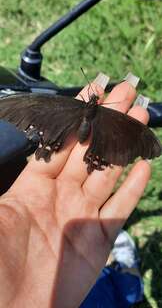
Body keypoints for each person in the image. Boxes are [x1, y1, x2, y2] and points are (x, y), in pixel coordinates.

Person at [0, 73, 151, 308]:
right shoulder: (103, 114)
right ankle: (125, 286)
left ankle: (123, 287)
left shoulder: (63, 106)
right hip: (92, 135)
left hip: (65, 131)